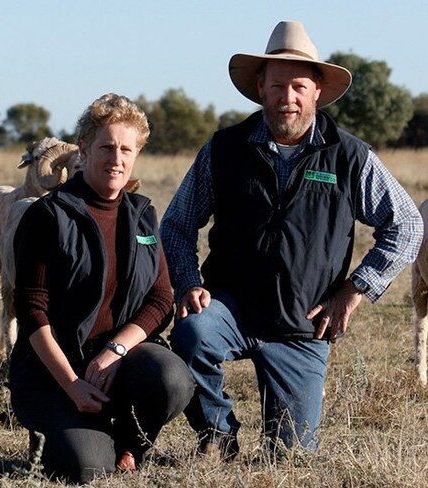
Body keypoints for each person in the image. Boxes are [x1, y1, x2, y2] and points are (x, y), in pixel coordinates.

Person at [160, 20, 424, 459]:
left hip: (304, 325)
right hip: (230, 307)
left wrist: (354, 291)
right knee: (191, 334)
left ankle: (278, 432)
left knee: (290, 459)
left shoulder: (348, 155)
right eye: (278, 85)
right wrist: (188, 281)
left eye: (299, 86)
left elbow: (408, 225)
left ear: (317, 90)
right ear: (260, 86)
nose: (288, 98)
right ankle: (218, 434)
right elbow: (176, 223)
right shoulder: (225, 148)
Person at [8, 93, 195, 483]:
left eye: (127, 149)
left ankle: (130, 444)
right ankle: (69, 433)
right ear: (84, 149)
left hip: (118, 362)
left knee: (174, 379)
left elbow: (161, 298)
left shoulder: (142, 215)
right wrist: (74, 385)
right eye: (106, 147)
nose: (117, 158)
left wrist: (116, 350)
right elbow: (31, 310)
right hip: (56, 373)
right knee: (86, 468)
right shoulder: (48, 215)